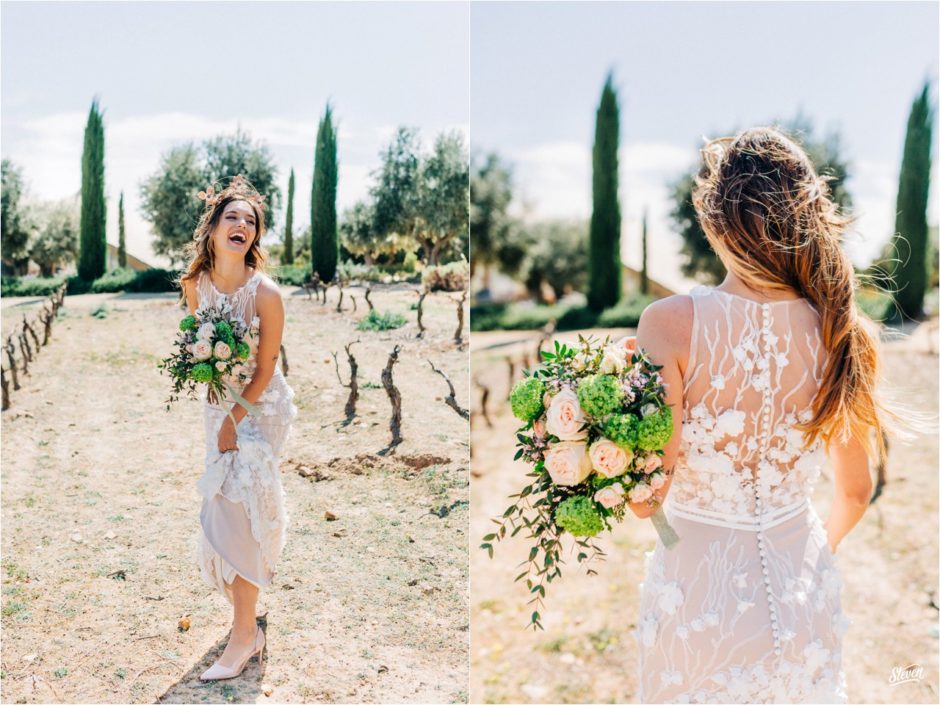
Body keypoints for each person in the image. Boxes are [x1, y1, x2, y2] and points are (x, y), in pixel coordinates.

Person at [628, 127, 895, 703]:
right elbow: (855, 491)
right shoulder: (839, 330)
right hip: (804, 589)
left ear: (715, 221)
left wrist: (598, 453)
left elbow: (649, 495)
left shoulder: (669, 323)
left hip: (697, 597)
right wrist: (810, 559)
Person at [178, 175, 297, 681]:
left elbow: (267, 369)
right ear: (213, 228)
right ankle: (248, 623)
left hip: (260, 408)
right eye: (233, 217)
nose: (242, 226)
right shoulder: (194, 287)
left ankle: (245, 634)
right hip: (218, 408)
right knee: (225, 508)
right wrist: (209, 388)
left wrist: (235, 419)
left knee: (239, 504)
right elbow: (197, 351)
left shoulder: (265, 293)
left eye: (251, 221)